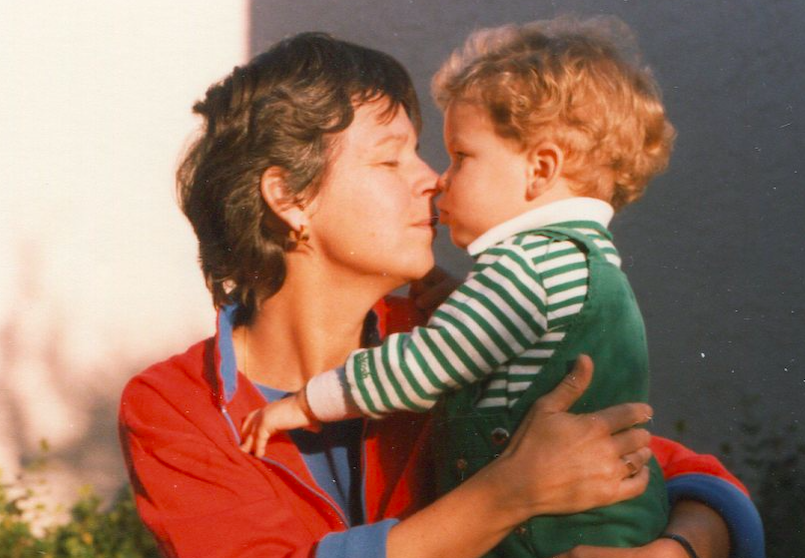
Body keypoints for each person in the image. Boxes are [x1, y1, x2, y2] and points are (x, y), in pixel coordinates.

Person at [118, 31, 764, 558]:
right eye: (391, 159)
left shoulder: (451, 336)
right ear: (288, 197)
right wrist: (507, 494)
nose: (430, 180)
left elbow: (690, 477)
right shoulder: (178, 407)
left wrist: (675, 551)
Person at [239, 16, 671, 558]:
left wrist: (306, 404)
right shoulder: (575, 260)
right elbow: (511, 341)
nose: (437, 178)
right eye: (392, 159)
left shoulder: (526, 268)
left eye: (461, 157)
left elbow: (429, 364)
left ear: (540, 169)